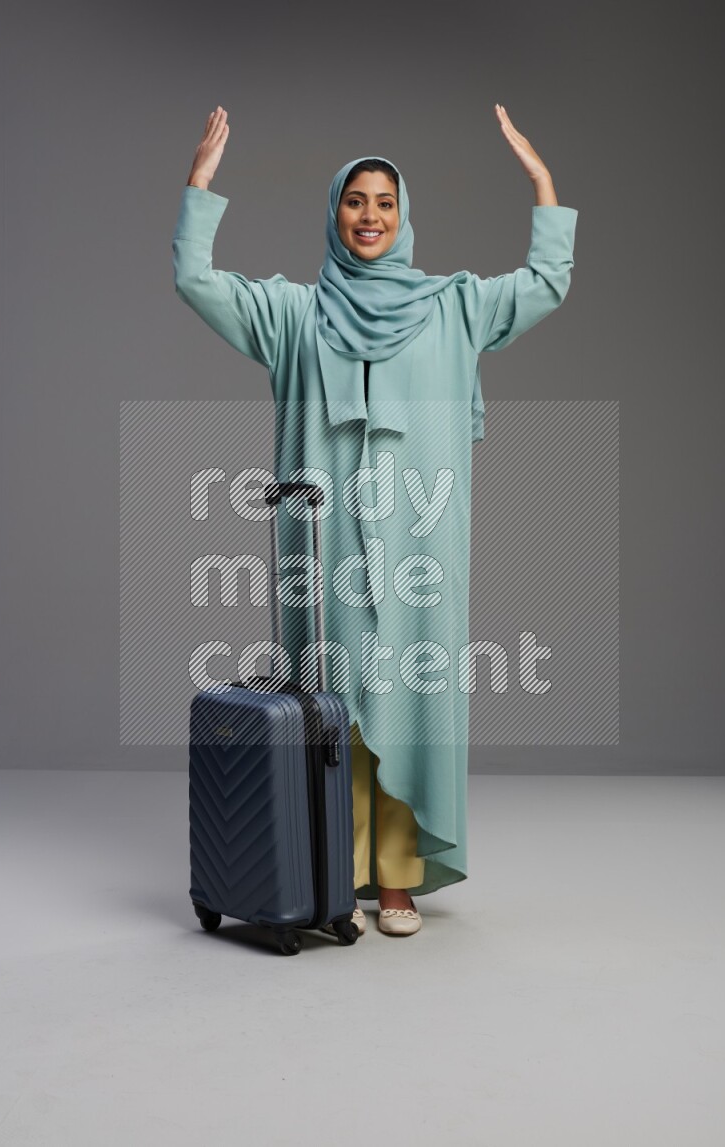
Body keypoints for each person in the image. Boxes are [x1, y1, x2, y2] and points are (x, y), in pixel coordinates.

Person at [173, 105, 578, 937]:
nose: (369, 216)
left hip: (422, 547)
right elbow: (197, 283)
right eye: (355, 201)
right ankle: (331, 871)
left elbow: (544, 286)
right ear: (334, 213)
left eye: (384, 202)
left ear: (404, 215)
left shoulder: (453, 307)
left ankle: (395, 880)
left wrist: (542, 186)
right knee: (332, 704)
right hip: (319, 546)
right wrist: (199, 190)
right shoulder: (293, 315)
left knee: (406, 701)